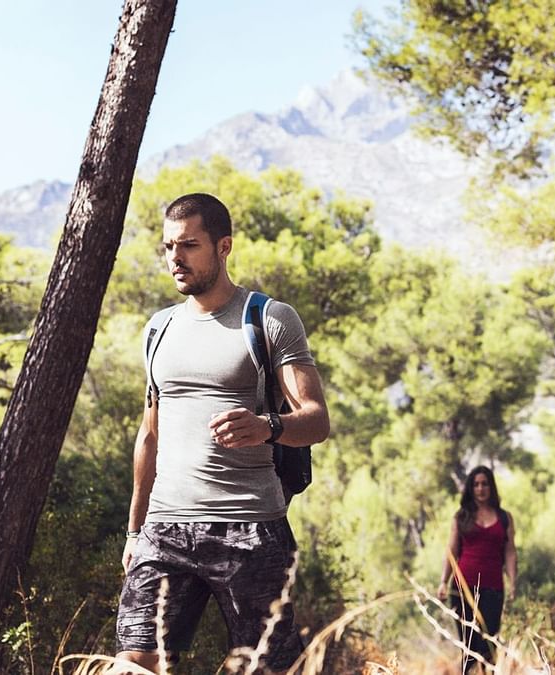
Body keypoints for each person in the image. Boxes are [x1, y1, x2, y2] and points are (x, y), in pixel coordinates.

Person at [113, 193, 330, 673]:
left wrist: (267, 427)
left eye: (189, 245)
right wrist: (133, 530)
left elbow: (316, 420)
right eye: (168, 246)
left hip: (249, 527)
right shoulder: (158, 329)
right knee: (133, 663)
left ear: (223, 246)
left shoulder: (269, 319)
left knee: (265, 667)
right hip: (164, 529)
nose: (175, 258)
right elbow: (149, 436)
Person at [437, 466, 518, 674]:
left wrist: (513, 583)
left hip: (493, 589)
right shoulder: (461, 517)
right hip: (463, 588)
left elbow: (510, 552)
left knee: (490, 643)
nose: (480, 488)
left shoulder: (504, 518)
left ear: (491, 486)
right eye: (476, 484)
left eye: (484, 484)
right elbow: (452, 551)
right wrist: (443, 581)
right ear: (471, 489)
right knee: (470, 644)